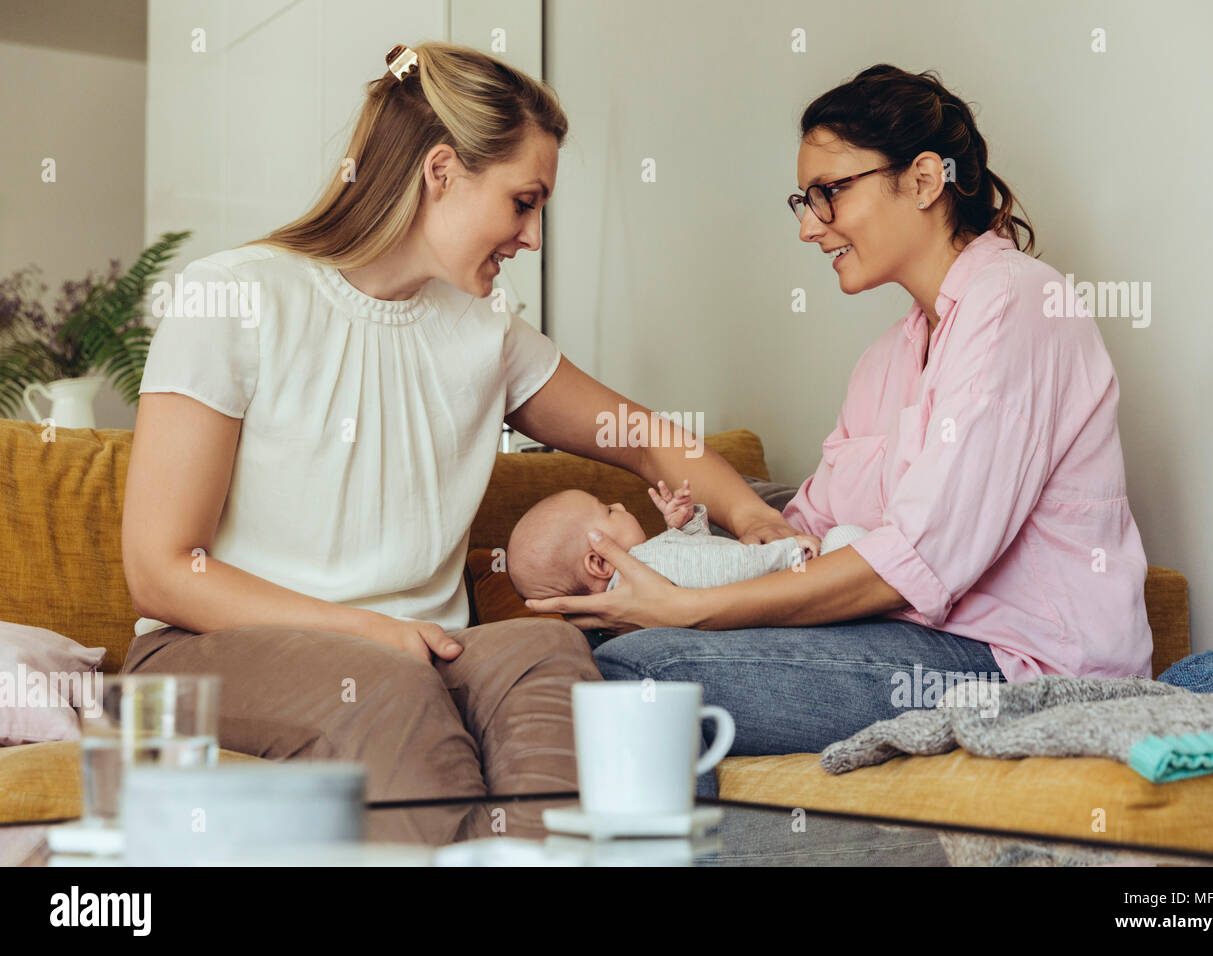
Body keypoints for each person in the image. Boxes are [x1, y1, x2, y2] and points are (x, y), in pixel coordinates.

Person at [119, 42, 804, 804]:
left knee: (547, 651)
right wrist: (368, 632)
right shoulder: (234, 297)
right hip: (210, 652)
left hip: (427, 650)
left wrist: (749, 515)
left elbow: (643, 437)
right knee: (382, 688)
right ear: (440, 172)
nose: (533, 238)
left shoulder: (485, 333)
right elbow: (162, 569)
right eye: (524, 201)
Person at [524, 65, 1154, 787]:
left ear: (923, 181)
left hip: (1018, 665)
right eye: (804, 199)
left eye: (829, 193)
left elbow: (918, 563)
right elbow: (807, 533)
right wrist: (682, 559)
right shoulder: (887, 359)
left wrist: (690, 612)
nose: (806, 225)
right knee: (578, 658)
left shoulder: (1019, 305)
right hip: (904, 643)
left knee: (646, 673)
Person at [506, 479, 870, 599]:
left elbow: (698, 561)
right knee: (847, 539)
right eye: (607, 511)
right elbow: (730, 567)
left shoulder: (637, 582)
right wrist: (790, 551)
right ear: (600, 562)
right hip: (788, 578)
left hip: (775, 585)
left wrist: (685, 527)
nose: (618, 503)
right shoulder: (649, 564)